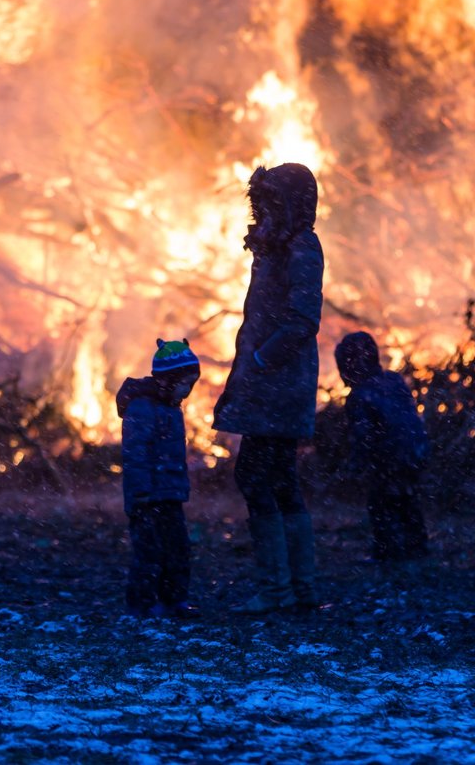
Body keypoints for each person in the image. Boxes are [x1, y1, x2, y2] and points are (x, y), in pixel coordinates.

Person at [213, 163, 324, 613]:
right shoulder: (281, 246)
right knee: (278, 481)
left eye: (273, 202)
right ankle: (298, 589)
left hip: (278, 384)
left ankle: (279, 591)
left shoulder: (301, 246)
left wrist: (261, 360)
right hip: (272, 382)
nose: (264, 211)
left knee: (258, 477)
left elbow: (302, 319)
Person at [117, 339, 202, 618]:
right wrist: (141, 493)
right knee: (149, 552)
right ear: (167, 379)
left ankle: (174, 600)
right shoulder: (142, 408)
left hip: (170, 493)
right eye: (184, 383)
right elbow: (136, 454)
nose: (187, 390)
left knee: (177, 549)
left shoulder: (171, 405)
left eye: (191, 384)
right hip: (148, 496)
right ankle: (141, 604)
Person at [335, 331, 430, 563]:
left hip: (389, 457)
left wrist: (355, 466)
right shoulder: (394, 381)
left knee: (380, 504)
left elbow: (363, 436)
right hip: (415, 450)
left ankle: (387, 552)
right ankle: (417, 547)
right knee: (407, 498)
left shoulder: (359, 396)